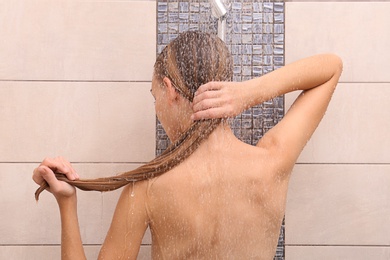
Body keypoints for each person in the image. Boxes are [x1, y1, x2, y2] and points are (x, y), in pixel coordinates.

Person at [32, 31, 342, 259]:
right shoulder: (272, 163)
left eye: (155, 96)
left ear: (170, 91)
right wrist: (249, 93)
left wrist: (66, 203)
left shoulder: (147, 189)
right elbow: (330, 67)